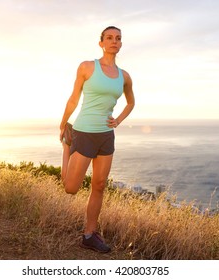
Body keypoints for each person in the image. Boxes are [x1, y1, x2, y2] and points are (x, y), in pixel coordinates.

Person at [59, 26, 135, 253]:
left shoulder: (125, 76)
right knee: (71, 188)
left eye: (118, 38)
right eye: (109, 38)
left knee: (99, 185)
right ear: (101, 42)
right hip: (83, 132)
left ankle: (89, 234)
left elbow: (131, 103)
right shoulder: (87, 67)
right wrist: (64, 124)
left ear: (121, 44)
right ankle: (66, 147)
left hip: (106, 136)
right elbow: (74, 98)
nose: (114, 41)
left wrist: (118, 120)